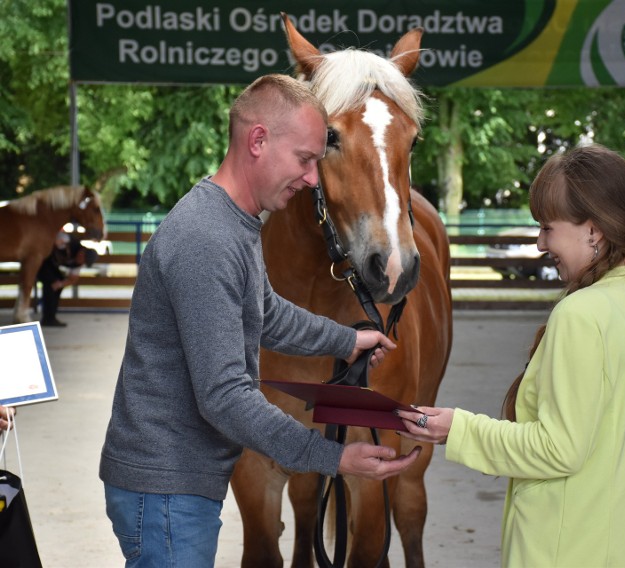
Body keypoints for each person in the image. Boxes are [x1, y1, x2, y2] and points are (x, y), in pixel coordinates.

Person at [99, 74, 421, 566]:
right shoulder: (207, 239)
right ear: (258, 141)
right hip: (167, 490)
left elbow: (264, 310)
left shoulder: (234, 220)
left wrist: (343, 340)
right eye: (305, 159)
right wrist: (333, 458)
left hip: (176, 485)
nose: (313, 178)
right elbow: (225, 396)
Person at [397, 144, 625, 567]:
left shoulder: (580, 315)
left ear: (593, 231)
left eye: (548, 227)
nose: (541, 242)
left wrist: (458, 429)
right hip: (620, 545)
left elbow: (558, 448)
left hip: (564, 547)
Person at [36, 232, 97, 327]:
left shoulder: (78, 263)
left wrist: (60, 284)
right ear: (82, 252)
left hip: (51, 264)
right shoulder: (68, 241)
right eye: (83, 259)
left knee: (57, 283)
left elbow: (73, 279)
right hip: (41, 259)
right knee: (50, 284)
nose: (82, 262)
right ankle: (48, 318)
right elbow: (51, 239)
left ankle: (51, 316)